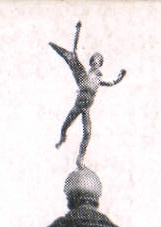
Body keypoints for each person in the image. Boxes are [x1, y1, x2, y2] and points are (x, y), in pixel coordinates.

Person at [50, 22, 126, 167]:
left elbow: (112, 83)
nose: (96, 63)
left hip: (85, 108)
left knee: (88, 133)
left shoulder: (98, 79)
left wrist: (120, 77)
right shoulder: (84, 75)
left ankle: (80, 159)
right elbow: (74, 52)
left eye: (99, 61)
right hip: (79, 104)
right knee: (65, 125)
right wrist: (78, 31)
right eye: (95, 60)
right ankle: (62, 139)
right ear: (92, 63)